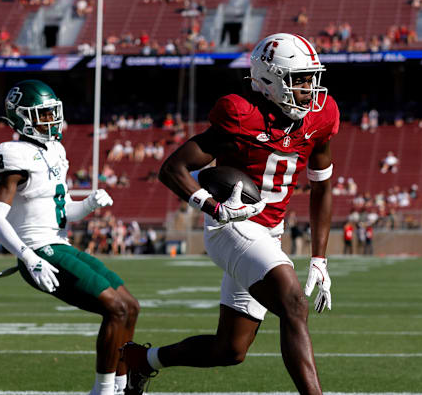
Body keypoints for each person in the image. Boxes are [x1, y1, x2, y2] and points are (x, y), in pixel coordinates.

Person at [122, 33, 338, 394]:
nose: (309, 87)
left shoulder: (322, 114)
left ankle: (143, 361)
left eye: (311, 77)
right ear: (269, 80)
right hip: (232, 227)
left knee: (231, 349)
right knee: (293, 302)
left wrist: (319, 257)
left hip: (269, 233)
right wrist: (213, 207)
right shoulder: (241, 113)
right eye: (299, 78)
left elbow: (323, 186)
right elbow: (172, 169)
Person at [0, 80, 139, 395]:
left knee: (131, 307)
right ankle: (104, 390)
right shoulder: (13, 155)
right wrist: (29, 257)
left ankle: (124, 386)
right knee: (115, 309)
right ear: (21, 118)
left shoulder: (55, 149)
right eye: (42, 114)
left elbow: (64, 210)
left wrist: (89, 204)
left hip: (60, 243)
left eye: (52, 113)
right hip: (40, 251)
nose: (51, 120)